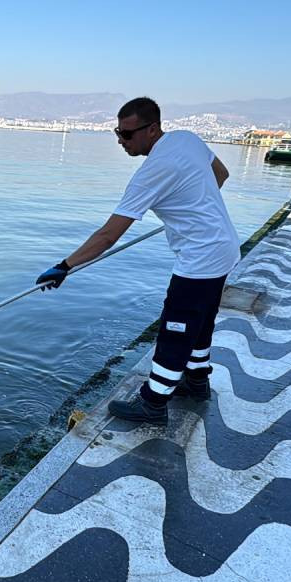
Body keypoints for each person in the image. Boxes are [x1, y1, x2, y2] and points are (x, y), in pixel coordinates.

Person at [35, 97, 238, 424]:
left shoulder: (153, 171)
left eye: (127, 135)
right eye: (117, 132)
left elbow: (108, 235)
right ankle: (197, 382)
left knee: (177, 327)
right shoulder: (186, 138)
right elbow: (222, 174)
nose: (120, 141)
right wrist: (188, 205)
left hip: (200, 258)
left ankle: (153, 403)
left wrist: (65, 266)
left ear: (152, 129)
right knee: (200, 322)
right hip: (224, 248)